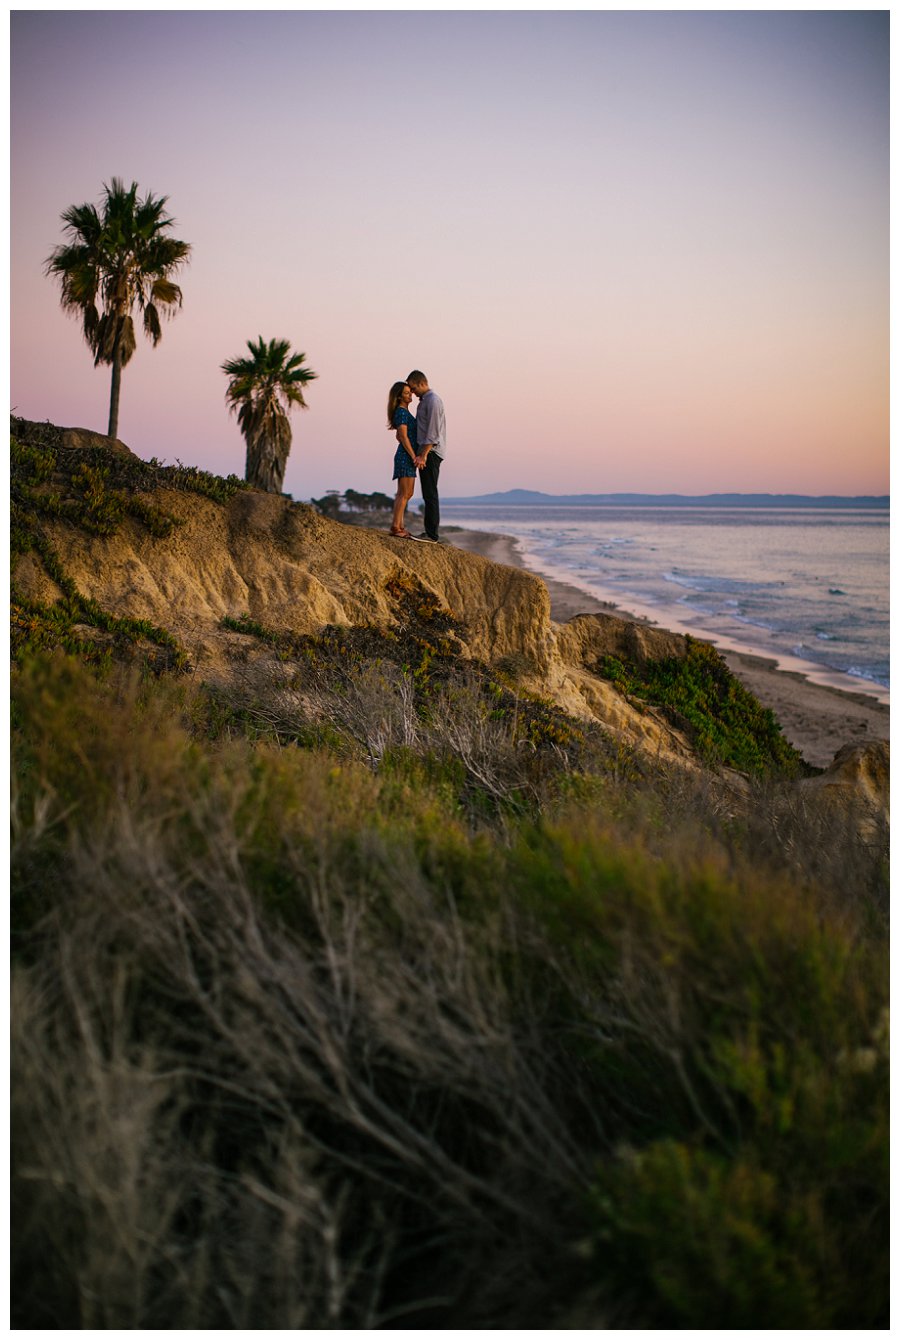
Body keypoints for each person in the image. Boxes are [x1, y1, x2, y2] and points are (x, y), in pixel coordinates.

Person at [407, 370, 446, 542]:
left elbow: (433, 433)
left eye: (414, 389)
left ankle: (432, 535)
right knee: (427, 493)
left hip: (430, 453)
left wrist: (422, 455)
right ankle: (429, 532)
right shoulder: (424, 402)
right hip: (426, 452)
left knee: (430, 493)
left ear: (422, 383)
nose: (412, 393)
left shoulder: (433, 401)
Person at [386, 380, 418, 538]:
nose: (410, 394)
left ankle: (400, 525)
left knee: (407, 493)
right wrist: (413, 456)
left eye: (410, 392)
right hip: (406, 455)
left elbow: (399, 435)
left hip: (406, 454)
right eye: (406, 393)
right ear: (399, 397)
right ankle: (395, 527)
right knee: (404, 493)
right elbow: (403, 436)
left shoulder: (404, 412)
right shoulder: (401, 412)